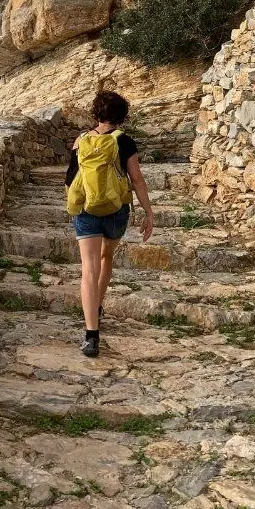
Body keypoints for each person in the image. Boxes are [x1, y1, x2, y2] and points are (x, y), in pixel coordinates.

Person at [64, 89, 154, 357]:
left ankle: (91, 334)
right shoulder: (124, 141)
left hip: (87, 209)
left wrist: (76, 204)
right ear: (122, 117)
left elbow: (70, 179)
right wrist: (148, 212)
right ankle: (98, 306)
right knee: (106, 258)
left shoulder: (81, 141)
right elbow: (136, 179)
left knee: (88, 268)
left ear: (96, 114)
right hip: (116, 210)